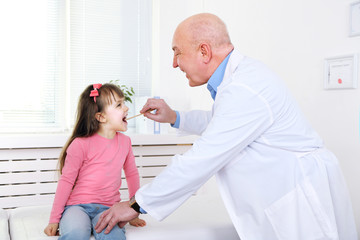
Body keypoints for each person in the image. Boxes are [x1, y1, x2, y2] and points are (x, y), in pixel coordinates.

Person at [95, 13, 358, 240]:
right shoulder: (240, 82)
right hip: (287, 193)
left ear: (204, 51)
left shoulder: (245, 88)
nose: (174, 63)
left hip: (298, 202)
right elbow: (220, 123)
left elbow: (201, 159)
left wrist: (136, 204)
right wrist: (175, 117)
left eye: (177, 52)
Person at [44, 83, 146, 240]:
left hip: (109, 209)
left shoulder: (125, 142)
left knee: (113, 236)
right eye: (119, 105)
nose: (126, 108)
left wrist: (134, 210)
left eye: (123, 103)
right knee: (77, 233)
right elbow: (66, 181)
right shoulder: (80, 144)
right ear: (101, 117)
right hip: (77, 207)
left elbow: (132, 174)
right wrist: (54, 220)